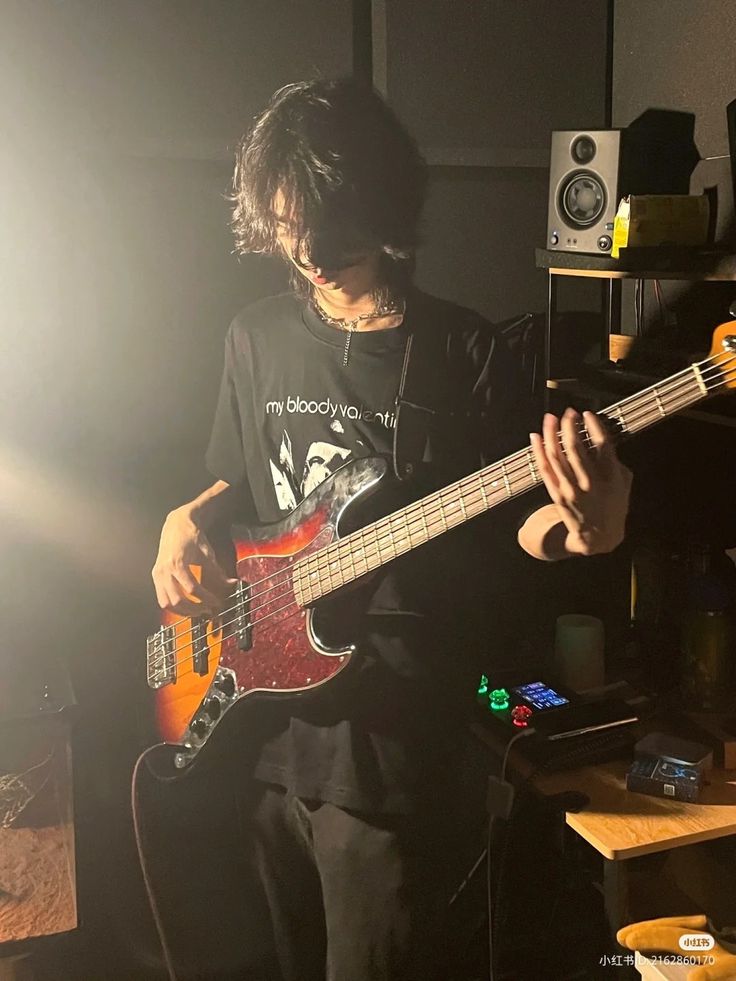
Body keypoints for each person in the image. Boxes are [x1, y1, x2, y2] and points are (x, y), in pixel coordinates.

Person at [151, 77, 632, 981]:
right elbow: (236, 479)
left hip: (389, 762)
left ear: (386, 204)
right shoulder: (252, 335)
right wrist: (186, 518)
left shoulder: (465, 352)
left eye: (333, 225)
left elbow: (518, 531)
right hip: (254, 731)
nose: (313, 253)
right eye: (291, 228)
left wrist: (587, 531)